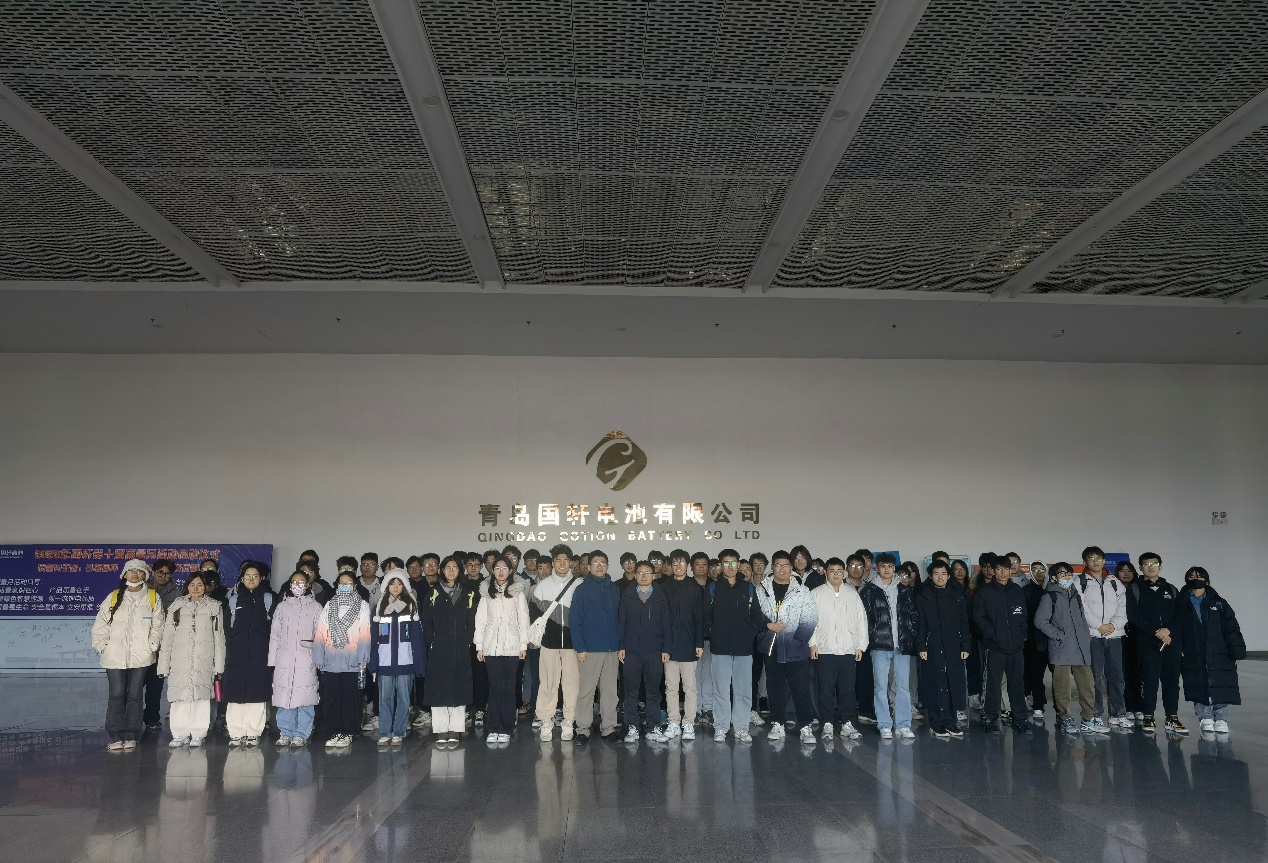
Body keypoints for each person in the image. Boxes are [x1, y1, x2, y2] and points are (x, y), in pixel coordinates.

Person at [93, 559, 165, 751]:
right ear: (124, 574)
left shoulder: (152, 597)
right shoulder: (114, 596)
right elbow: (101, 623)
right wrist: (102, 644)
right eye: (130, 571)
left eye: (139, 571)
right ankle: (115, 735)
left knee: (135, 694)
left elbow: (158, 624)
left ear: (145, 575)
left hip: (141, 655)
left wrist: (152, 644)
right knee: (116, 694)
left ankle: (131, 733)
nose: (134, 574)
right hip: (114, 655)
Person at [755, 551, 818, 744]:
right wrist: (768, 626)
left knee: (801, 688)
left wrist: (797, 641)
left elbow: (810, 619)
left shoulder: (802, 590)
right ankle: (777, 724)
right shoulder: (761, 589)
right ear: (772, 567)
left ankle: (806, 726)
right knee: (775, 688)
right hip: (772, 647)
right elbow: (755, 617)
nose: (781, 569)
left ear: (791, 568)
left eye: (785, 565)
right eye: (778, 565)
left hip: (796, 648)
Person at [158, 571, 225, 748]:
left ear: (206, 587)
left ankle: (198, 734)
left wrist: (219, 666)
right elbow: (167, 638)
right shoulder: (177, 606)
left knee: (201, 699)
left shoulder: (214, 607)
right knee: (179, 699)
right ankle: (179, 734)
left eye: (200, 585)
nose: (195, 588)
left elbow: (219, 638)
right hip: (179, 661)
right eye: (192, 585)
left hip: (204, 660)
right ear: (187, 586)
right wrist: (163, 665)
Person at [705, 548, 766, 743]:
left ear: (738, 565)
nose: (730, 567)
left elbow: (757, 617)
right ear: (720, 565)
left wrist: (748, 636)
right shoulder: (713, 588)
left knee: (743, 690)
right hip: (720, 647)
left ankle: (741, 728)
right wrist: (713, 633)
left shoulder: (748, 588)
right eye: (726, 563)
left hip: (743, 648)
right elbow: (706, 616)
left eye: (733, 563)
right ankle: (721, 726)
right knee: (721, 690)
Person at [1035, 562, 1103, 734]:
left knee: (1087, 685)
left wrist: (1084, 637)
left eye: (1069, 574)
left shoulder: (1075, 595)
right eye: (1062, 574)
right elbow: (1040, 621)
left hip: (1080, 648)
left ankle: (1089, 718)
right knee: (1062, 688)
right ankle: (1066, 718)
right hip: (1061, 648)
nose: (1067, 577)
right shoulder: (1050, 596)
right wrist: (1059, 635)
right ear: (1054, 577)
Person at [1177, 567, 1245, 734]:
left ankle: (1221, 718)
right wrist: (1179, 648)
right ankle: (1205, 717)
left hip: (1219, 651)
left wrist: (1236, 651)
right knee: (1197, 682)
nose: (1196, 579)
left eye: (1200, 576)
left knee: (1221, 682)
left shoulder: (1219, 602)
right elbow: (1176, 627)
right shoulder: (1180, 602)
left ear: (1207, 580)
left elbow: (1231, 628)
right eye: (1192, 576)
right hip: (1193, 650)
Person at [858, 552, 919, 740]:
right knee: (880, 686)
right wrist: (871, 636)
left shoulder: (904, 590)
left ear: (894, 569)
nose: (887, 569)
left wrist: (910, 636)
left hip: (901, 645)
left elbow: (913, 616)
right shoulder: (869, 590)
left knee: (902, 687)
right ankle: (884, 724)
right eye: (883, 566)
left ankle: (903, 724)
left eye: (890, 566)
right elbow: (863, 618)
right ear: (877, 568)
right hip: (879, 645)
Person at [1126, 552, 1187, 735]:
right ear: (1140, 568)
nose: (1150, 567)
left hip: (1170, 642)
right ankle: (1148, 716)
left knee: (1172, 681)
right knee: (1149, 680)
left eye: (1154, 564)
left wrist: (1168, 630)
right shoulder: (1134, 589)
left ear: (1160, 566)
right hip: (1147, 643)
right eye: (1146, 564)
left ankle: (1172, 718)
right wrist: (1156, 632)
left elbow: (1181, 614)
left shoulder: (1172, 589)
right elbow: (1134, 616)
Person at [971, 555, 1031, 735]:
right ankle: (991, 719)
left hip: (1016, 647)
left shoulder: (1016, 590)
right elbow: (979, 618)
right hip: (994, 647)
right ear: (993, 570)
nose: (1003, 572)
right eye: (999, 569)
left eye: (1006, 569)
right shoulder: (984, 592)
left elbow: (1023, 615)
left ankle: (1020, 719)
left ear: (1010, 570)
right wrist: (993, 635)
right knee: (992, 685)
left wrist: (1022, 634)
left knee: (1017, 685)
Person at [809, 557, 868, 741]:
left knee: (847, 689)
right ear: (826, 572)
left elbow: (861, 620)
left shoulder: (852, 594)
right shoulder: (816, 593)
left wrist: (860, 645)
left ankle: (846, 723)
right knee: (825, 689)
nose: (835, 574)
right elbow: (810, 620)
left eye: (839, 571)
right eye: (832, 570)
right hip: (824, 649)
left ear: (844, 573)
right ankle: (827, 723)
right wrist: (812, 643)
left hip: (847, 648)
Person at [422, 556, 478, 749]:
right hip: (439, 647)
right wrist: (432, 641)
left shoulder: (468, 593)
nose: (451, 570)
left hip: (461, 648)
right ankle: (441, 729)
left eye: (455, 567)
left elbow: (472, 620)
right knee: (439, 686)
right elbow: (426, 620)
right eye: (448, 567)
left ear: (459, 570)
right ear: (442, 570)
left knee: (459, 685)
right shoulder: (433, 593)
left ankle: (455, 729)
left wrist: (467, 641)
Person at [474, 555, 529, 745]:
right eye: (497, 568)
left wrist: (523, 645)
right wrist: (479, 646)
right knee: (494, 688)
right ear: (492, 570)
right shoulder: (486, 593)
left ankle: (506, 727)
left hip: (512, 647)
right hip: (491, 648)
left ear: (511, 571)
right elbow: (480, 621)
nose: (501, 571)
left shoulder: (518, 594)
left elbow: (523, 620)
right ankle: (493, 727)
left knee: (508, 689)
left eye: (505, 568)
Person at [312, 571, 371, 749]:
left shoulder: (362, 605)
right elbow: (321, 631)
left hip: (353, 660)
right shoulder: (330, 605)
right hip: (331, 659)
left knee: (350, 698)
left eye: (348, 583)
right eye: (341, 583)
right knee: (332, 697)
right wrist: (318, 655)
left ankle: (348, 731)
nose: (344, 586)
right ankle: (334, 731)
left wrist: (363, 658)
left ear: (355, 586)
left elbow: (365, 632)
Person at [570, 550, 622, 744]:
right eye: (596, 563)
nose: (599, 566)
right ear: (589, 567)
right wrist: (580, 648)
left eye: (603, 563)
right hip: (589, 650)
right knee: (586, 690)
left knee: (610, 692)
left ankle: (608, 727)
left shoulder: (614, 588)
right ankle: (582, 729)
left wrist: (620, 645)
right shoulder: (582, 590)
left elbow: (620, 619)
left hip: (611, 649)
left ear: (607, 566)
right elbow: (575, 621)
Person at [531, 544, 581, 741]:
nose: (562, 564)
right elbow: (534, 616)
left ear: (570, 562)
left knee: (572, 684)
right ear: (553, 563)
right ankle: (546, 721)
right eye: (558, 560)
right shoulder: (542, 586)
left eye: (565, 560)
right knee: (547, 683)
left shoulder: (579, 585)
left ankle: (569, 721)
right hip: (549, 644)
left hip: (573, 644)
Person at [916, 560, 970, 738]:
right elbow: (920, 624)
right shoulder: (924, 596)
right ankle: (936, 723)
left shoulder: (957, 596)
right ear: (931, 576)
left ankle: (950, 722)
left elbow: (964, 623)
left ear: (948, 576)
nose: (940, 577)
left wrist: (965, 644)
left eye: (943, 574)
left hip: (953, 645)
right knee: (934, 682)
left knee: (951, 682)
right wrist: (921, 645)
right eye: (936, 574)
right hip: (931, 646)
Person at [223, 561, 275, 746]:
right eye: (247, 576)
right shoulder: (234, 600)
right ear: (242, 578)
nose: (251, 579)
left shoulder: (269, 599)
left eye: (255, 576)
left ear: (261, 578)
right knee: (235, 693)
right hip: (236, 654)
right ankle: (236, 732)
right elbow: (226, 629)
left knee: (257, 693)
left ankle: (253, 732)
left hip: (260, 654)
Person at [619, 561, 671, 743]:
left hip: (654, 651)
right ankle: (632, 727)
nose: (643, 576)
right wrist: (621, 646)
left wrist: (666, 648)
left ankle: (653, 727)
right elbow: (621, 623)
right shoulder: (627, 596)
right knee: (631, 691)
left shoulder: (660, 597)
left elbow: (667, 624)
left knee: (653, 691)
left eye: (647, 573)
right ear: (635, 575)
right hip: (631, 652)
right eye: (640, 572)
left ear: (653, 576)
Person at [370, 573, 425, 745]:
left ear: (404, 587)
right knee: (384, 699)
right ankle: (384, 731)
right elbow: (373, 638)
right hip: (384, 662)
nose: (395, 587)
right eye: (392, 583)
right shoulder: (379, 608)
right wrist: (373, 663)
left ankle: (399, 731)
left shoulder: (411, 607)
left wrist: (419, 664)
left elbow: (417, 639)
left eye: (399, 584)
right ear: (386, 586)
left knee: (404, 699)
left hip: (405, 661)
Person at [270, 570, 322, 747]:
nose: (297, 585)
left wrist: (318, 658)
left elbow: (321, 635)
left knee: (305, 697)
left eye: (301, 582)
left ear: (307, 585)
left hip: (306, 658)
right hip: (284, 659)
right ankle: (285, 732)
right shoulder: (282, 606)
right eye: (294, 582)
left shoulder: (315, 607)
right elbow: (275, 634)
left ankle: (301, 733)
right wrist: (273, 659)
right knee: (285, 696)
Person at [1077, 546, 1126, 731]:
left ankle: (1117, 714)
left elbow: (1123, 607)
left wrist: (1113, 625)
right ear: (1085, 562)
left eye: (1099, 558)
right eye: (1091, 558)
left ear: (1104, 561)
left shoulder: (1114, 582)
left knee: (1117, 677)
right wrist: (1098, 626)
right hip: (1092, 635)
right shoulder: (1079, 581)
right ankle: (1096, 714)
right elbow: (1081, 608)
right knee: (1094, 678)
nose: (1095, 562)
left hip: (1114, 635)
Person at [662, 549, 703, 741]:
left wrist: (699, 643)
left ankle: (688, 723)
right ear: (670, 565)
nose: (678, 566)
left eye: (682, 562)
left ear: (687, 566)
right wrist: (663, 646)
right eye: (675, 563)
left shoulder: (695, 589)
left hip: (688, 644)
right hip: (668, 646)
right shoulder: (663, 588)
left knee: (690, 688)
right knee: (671, 687)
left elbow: (699, 619)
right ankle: (673, 722)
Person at [142, 558, 180, 733]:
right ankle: (131, 719)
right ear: (153, 571)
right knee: (134, 688)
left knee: (155, 687)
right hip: (140, 646)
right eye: (160, 572)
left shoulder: (177, 594)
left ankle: (152, 718)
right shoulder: (141, 590)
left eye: (167, 574)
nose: (163, 576)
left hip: (162, 648)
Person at [1114, 561, 1144, 719]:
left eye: (1129, 570)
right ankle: (1127, 706)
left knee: (1138, 672)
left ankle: (1138, 706)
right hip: (1119, 635)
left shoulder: (1139, 588)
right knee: (1123, 672)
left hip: (1139, 635)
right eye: (1122, 570)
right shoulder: (1112, 588)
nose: (1126, 573)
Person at [690, 551, 716, 725]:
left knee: (709, 675)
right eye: (697, 564)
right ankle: (696, 709)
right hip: (692, 639)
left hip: (712, 638)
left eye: (704, 564)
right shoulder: (687, 586)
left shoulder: (715, 586)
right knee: (694, 675)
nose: (701, 567)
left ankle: (708, 709)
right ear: (692, 567)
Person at [1021, 561, 1049, 720]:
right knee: (1032, 673)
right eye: (1035, 570)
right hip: (1032, 640)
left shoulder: (1052, 589)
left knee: (1047, 675)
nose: (1039, 572)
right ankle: (1037, 705)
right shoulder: (1026, 591)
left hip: (1052, 640)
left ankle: (1048, 705)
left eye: (1042, 569)